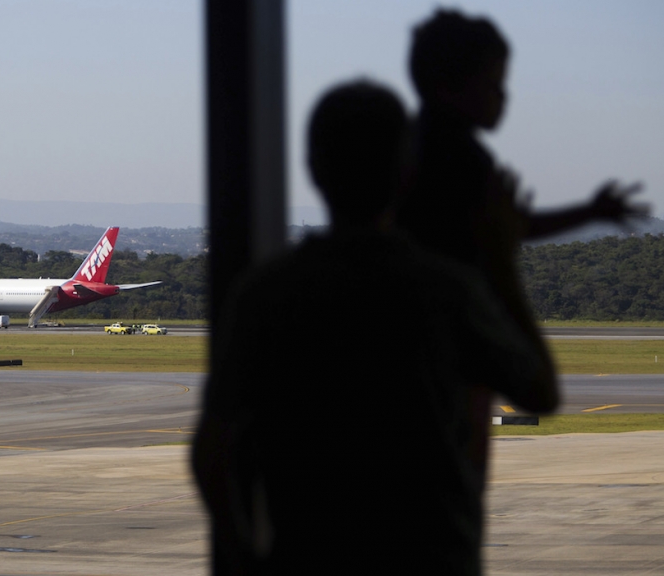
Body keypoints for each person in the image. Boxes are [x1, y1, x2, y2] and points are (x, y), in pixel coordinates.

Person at [192, 79, 557, 576]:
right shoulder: (445, 289)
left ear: (314, 169)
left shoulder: (267, 293)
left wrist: (241, 554)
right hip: (431, 556)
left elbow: (213, 449)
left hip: (309, 554)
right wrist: (501, 261)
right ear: (408, 173)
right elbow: (541, 391)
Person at [398, 8, 646, 487]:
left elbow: (504, 226)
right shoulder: (461, 158)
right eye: (493, 83)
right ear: (451, 87)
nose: (504, 97)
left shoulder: (415, 147)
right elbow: (504, 231)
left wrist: (587, 212)